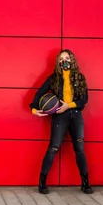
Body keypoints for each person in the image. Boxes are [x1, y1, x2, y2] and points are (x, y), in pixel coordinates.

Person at [30, 49, 93, 195]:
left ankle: (85, 183)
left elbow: (84, 100)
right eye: (61, 59)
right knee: (54, 147)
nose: (64, 61)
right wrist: (34, 109)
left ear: (72, 60)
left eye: (67, 58)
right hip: (60, 116)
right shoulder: (53, 79)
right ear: (58, 62)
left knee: (79, 149)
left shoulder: (80, 78)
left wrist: (68, 105)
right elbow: (39, 94)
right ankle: (42, 182)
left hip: (76, 115)